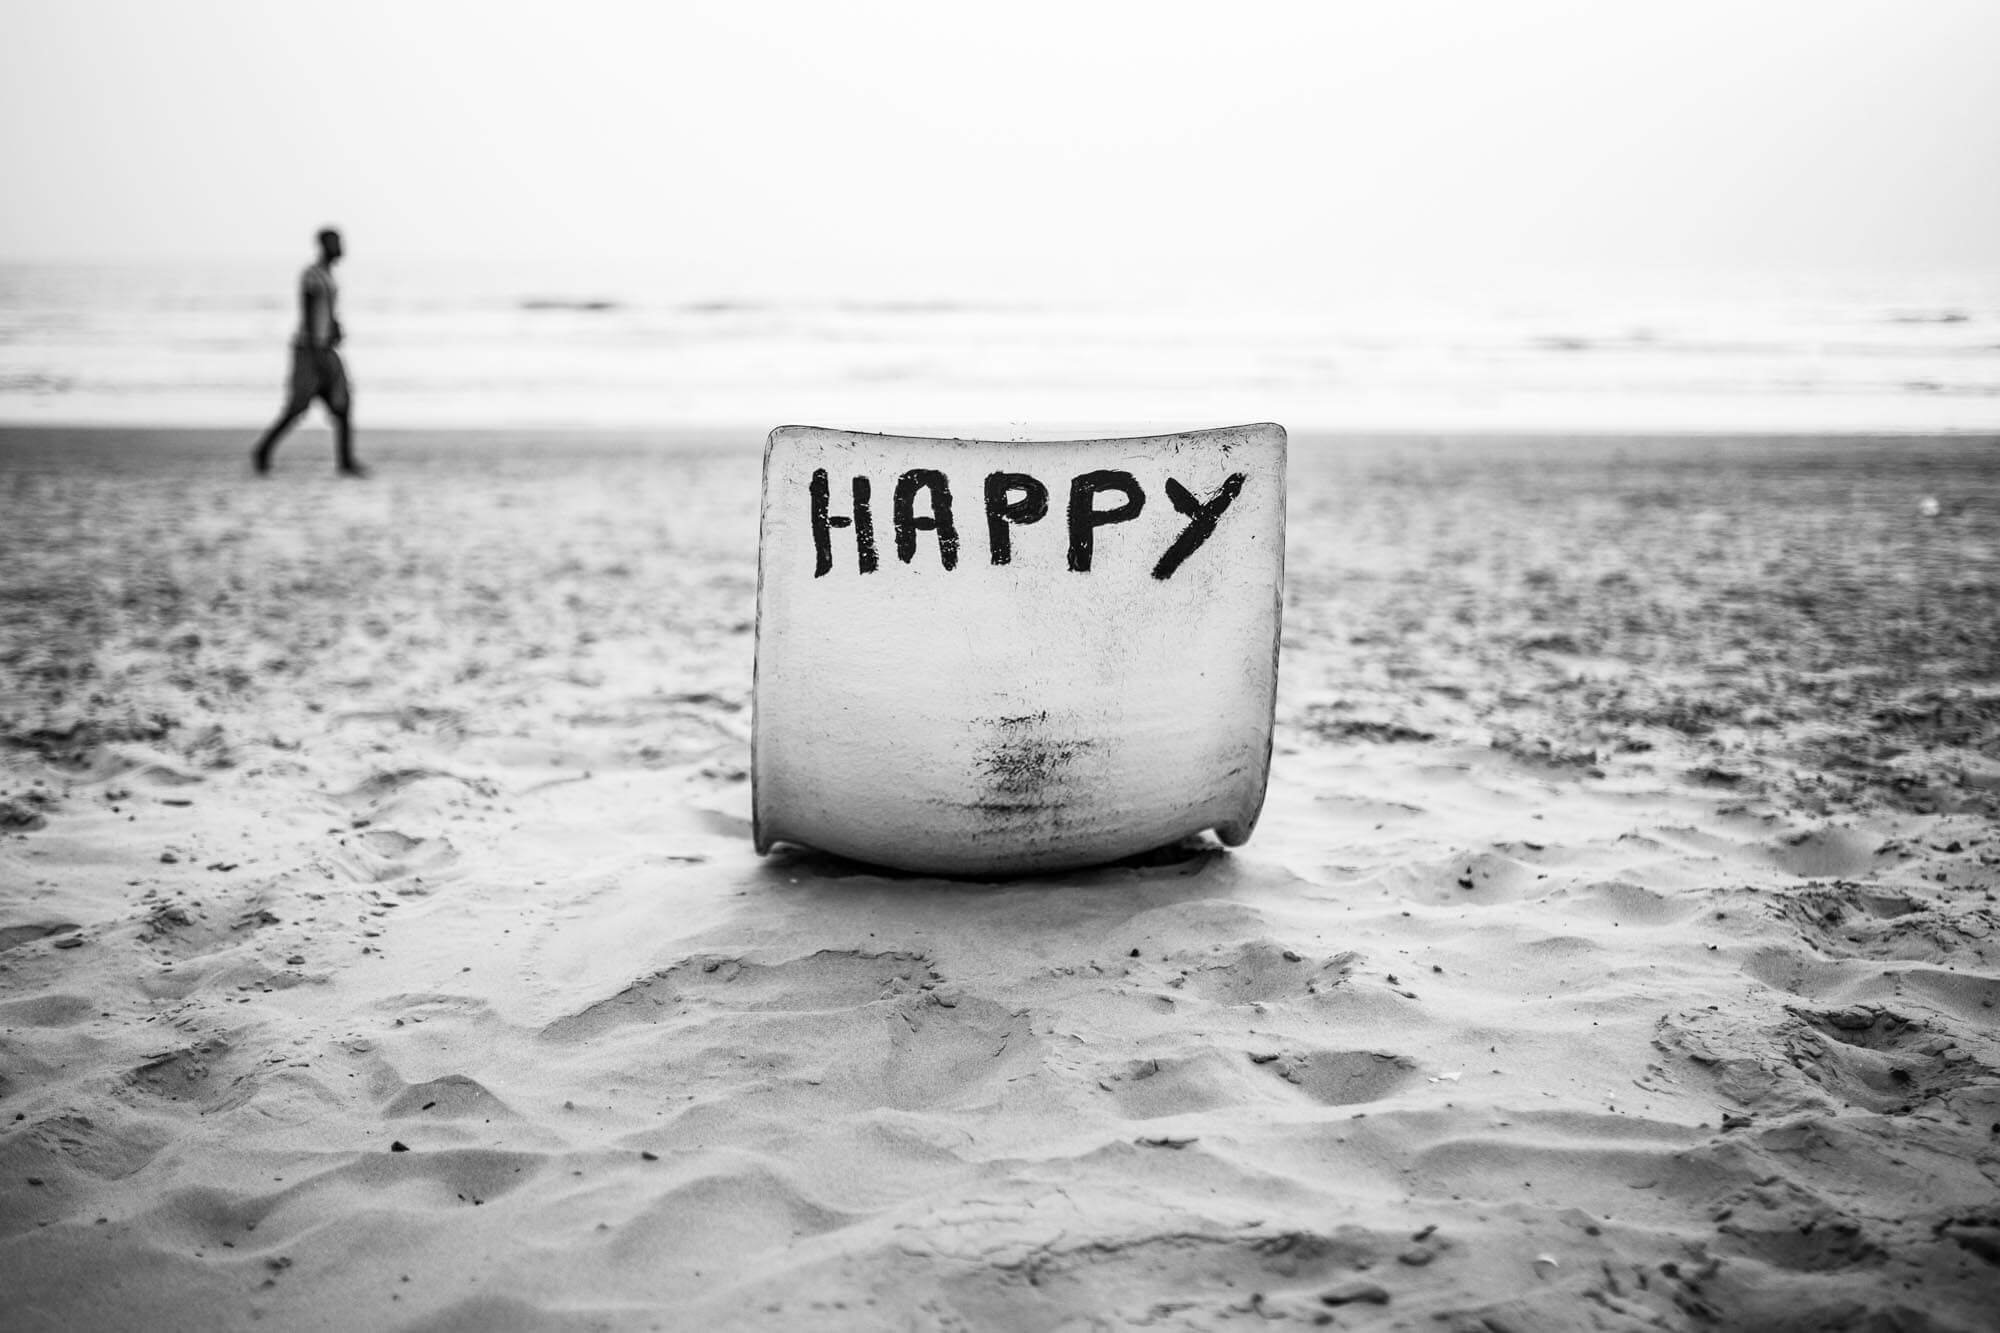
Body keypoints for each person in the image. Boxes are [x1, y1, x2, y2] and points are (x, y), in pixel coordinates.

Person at [252, 227, 365, 476]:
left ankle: (345, 461)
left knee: (342, 405)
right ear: (324, 246)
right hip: (311, 350)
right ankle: (262, 451)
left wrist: (334, 328)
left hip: (324, 347)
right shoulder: (312, 276)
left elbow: (327, 312)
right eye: (336, 243)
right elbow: (309, 312)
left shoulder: (329, 276)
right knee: (298, 406)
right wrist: (317, 351)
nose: (340, 248)